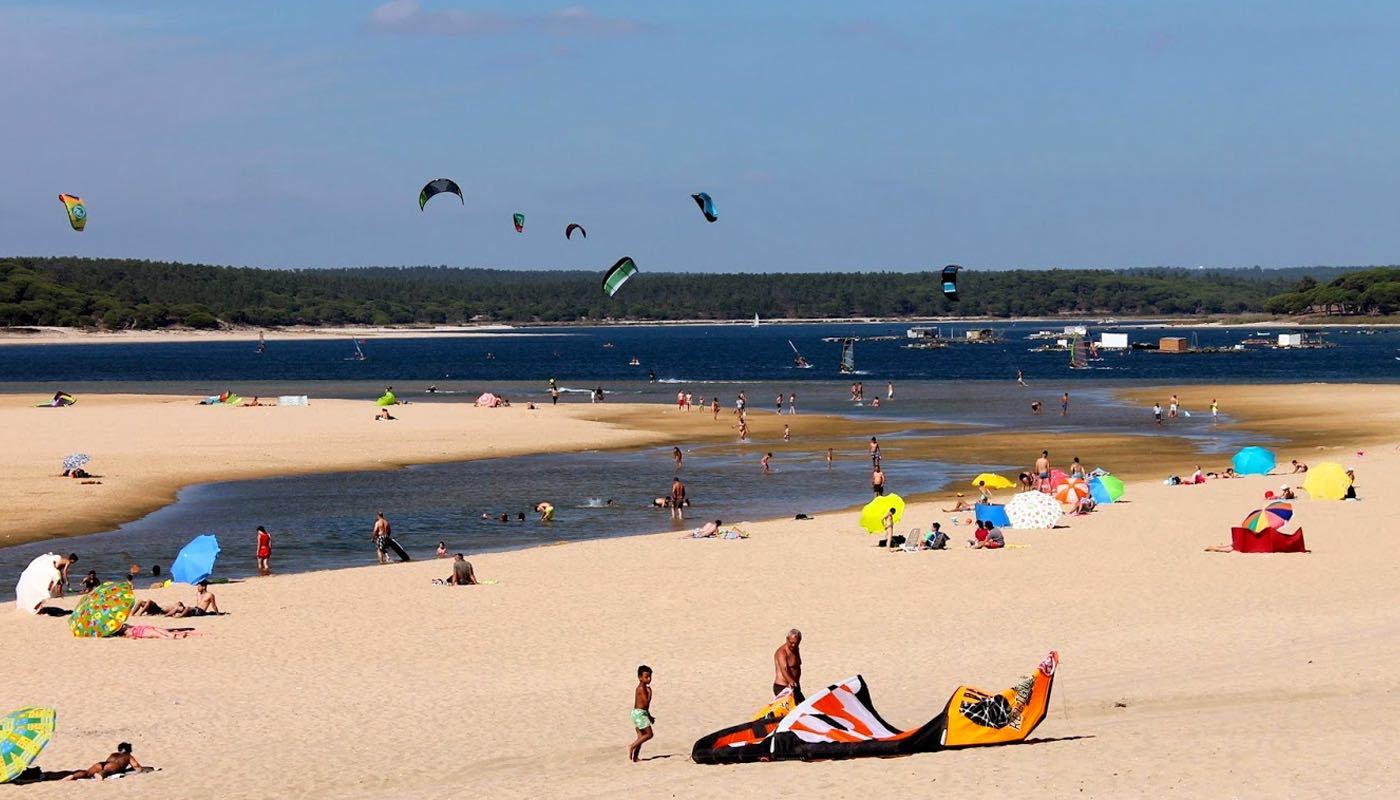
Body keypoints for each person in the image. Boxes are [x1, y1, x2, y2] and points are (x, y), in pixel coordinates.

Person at [61, 742, 148, 781]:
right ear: (129, 750)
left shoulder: (113, 754)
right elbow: (136, 766)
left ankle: (72, 776)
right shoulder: (128, 756)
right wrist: (140, 770)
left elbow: (107, 762)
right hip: (112, 766)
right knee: (106, 771)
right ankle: (99, 775)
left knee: (87, 773)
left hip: (102, 763)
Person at [628, 665, 655, 762]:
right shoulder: (641, 688)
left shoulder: (643, 688)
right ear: (640, 677)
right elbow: (645, 702)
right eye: (646, 677)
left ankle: (635, 757)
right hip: (639, 714)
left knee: (641, 737)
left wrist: (649, 716)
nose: (649, 679)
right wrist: (650, 693)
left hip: (639, 713)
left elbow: (645, 707)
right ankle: (632, 746)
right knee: (649, 734)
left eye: (650, 677)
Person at [774, 629, 804, 703]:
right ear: (787, 639)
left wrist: (797, 685)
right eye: (791, 643)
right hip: (783, 687)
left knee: (803, 706)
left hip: (794, 686)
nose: (793, 645)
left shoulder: (796, 648)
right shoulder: (781, 652)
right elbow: (784, 670)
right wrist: (791, 682)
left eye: (796, 643)